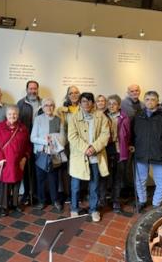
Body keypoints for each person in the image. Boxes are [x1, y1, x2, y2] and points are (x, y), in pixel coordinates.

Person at [68, 92, 110, 222]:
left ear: (93, 103)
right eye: (84, 101)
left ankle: (94, 210)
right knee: (75, 186)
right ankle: (74, 209)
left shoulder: (101, 116)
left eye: (89, 101)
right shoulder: (74, 118)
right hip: (79, 157)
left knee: (95, 186)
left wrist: (94, 148)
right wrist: (86, 148)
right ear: (80, 103)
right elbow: (72, 137)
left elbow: (105, 135)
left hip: (95, 157)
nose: (87, 103)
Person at [133, 91, 162, 211]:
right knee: (140, 180)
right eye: (147, 99)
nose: (150, 102)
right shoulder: (138, 116)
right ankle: (142, 201)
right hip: (141, 153)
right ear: (144, 100)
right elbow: (132, 135)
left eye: (153, 99)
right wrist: (131, 146)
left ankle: (156, 204)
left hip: (160, 154)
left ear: (158, 101)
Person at [0, 105, 31, 216]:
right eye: (10, 114)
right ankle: (4, 206)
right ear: (6, 115)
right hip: (5, 161)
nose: (12, 116)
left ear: (18, 115)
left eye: (14, 114)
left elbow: (27, 145)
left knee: (16, 183)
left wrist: (25, 158)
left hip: (18, 161)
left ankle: (15, 204)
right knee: (5, 184)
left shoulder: (23, 128)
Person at [31, 97, 65, 211]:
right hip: (41, 153)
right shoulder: (38, 119)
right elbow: (33, 138)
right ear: (43, 107)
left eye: (51, 105)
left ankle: (55, 200)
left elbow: (63, 138)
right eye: (46, 105)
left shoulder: (58, 119)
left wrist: (54, 139)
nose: (49, 107)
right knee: (40, 178)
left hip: (54, 154)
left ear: (54, 107)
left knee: (53, 178)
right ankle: (41, 201)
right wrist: (46, 141)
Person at [100, 94, 131, 212]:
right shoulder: (102, 116)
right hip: (105, 149)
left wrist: (128, 146)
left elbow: (128, 135)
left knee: (117, 177)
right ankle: (102, 199)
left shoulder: (125, 117)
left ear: (119, 105)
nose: (111, 106)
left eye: (114, 104)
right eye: (109, 104)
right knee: (104, 176)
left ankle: (115, 200)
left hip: (119, 149)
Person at [17, 80, 43, 205]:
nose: (33, 91)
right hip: (26, 142)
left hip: (39, 141)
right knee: (26, 169)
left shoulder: (43, 103)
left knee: (38, 168)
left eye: (35, 88)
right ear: (27, 89)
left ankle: (38, 194)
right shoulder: (21, 103)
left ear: (37, 89)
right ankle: (27, 193)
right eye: (30, 88)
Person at [56, 86, 80, 201]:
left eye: (76, 93)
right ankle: (68, 193)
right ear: (68, 96)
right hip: (67, 144)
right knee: (67, 169)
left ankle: (78, 193)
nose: (74, 95)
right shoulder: (63, 110)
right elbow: (60, 126)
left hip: (80, 144)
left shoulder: (84, 107)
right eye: (71, 93)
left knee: (79, 168)